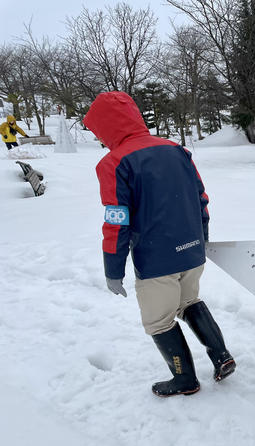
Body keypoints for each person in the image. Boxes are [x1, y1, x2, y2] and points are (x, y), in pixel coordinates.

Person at [83, 91, 236, 397]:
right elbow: (201, 199)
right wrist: (201, 237)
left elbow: (117, 221)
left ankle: (184, 379)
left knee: (158, 320)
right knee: (188, 302)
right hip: (192, 251)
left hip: (156, 259)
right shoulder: (175, 150)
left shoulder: (114, 163)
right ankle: (222, 356)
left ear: (105, 126)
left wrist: (113, 269)